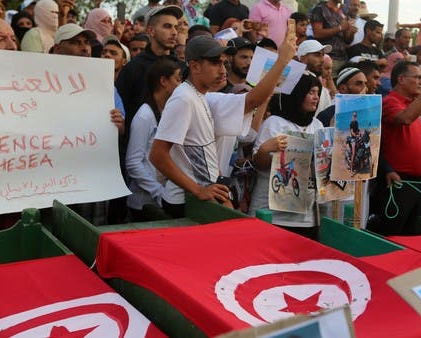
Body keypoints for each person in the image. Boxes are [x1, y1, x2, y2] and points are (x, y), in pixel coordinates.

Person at [150, 30, 296, 217]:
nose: (222, 70)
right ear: (194, 66)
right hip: (188, 201)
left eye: (223, 63)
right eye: (214, 63)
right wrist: (197, 190)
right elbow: (157, 154)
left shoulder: (199, 96)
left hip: (204, 195)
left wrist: (216, 182)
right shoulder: (183, 98)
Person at [367, 61, 421, 235]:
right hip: (399, 181)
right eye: (416, 77)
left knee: (415, 234)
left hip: (419, 182)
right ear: (401, 79)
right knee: (394, 233)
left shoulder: (412, 104)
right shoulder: (390, 101)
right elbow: (405, 119)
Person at [248, 72, 324, 239]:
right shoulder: (275, 122)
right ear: (297, 94)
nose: (316, 97)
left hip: (306, 218)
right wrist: (265, 150)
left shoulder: (317, 125)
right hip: (271, 213)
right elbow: (259, 164)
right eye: (310, 92)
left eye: (318, 93)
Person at [126, 59, 181, 221]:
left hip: (163, 199)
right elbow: (133, 162)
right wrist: (157, 190)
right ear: (163, 81)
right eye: (178, 79)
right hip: (144, 203)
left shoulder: (167, 112)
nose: (181, 85)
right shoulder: (144, 115)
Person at [116, 5, 183, 135]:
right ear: (151, 31)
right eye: (167, 26)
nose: (174, 32)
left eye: (176, 27)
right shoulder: (133, 67)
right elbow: (121, 112)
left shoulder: (181, 67)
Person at [310, 0, 356, 75]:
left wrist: (351, 32)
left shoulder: (343, 12)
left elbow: (347, 40)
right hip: (327, 57)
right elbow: (317, 33)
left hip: (343, 59)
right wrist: (340, 28)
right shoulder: (320, 9)